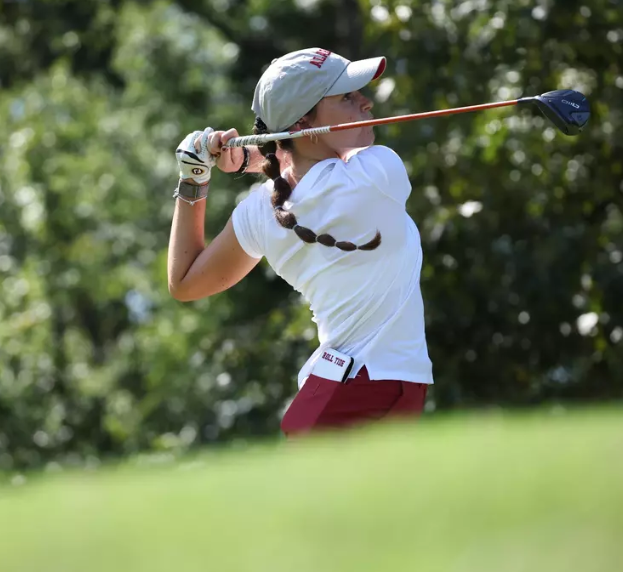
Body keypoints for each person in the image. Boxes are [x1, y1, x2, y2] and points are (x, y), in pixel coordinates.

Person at [167, 48, 433, 437]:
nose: (366, 101)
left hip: (339, 391)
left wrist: (195, 177)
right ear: (305, 121)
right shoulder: (381, 171)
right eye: (346, 97)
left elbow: (185, 282)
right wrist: (247, 159)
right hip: (376, 387)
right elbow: (306, 161)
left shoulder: (259, 211)